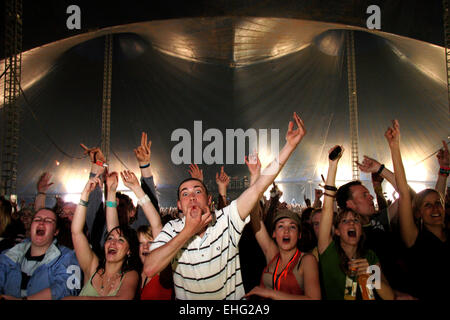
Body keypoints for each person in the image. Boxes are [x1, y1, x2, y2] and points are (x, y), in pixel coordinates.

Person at [145, 112, 307, 300]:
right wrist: (187, 232)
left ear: (208, 200)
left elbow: (259, 187)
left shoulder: (226, 220)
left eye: (198, 191)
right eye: (185, 193)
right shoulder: (171, 229)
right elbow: (150, 268)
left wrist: (289, 146)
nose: (192, 197)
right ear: (179, 205)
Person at [318, 145, 395, 300]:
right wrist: (333, 165)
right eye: (345, 221)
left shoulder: (370, 257)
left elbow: (389, 297)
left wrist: (372, 275)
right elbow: (327, 210)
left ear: (361, 230)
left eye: (355, 221)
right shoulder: (328, 252)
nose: (352, 224)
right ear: (337, 231)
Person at [386, 120, 449, 300]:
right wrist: (395, 148)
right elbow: (404, 194)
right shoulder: (415, 238)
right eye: (427, 205)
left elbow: (439, 194)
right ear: (418, 213)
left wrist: (444, 170)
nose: (435, 208)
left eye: (438, 204)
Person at [63, 174, 140, 299]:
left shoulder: (130, 275)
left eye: (120, 240)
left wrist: (81, 298)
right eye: (109, 239)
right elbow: (76, 232)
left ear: (129, 250)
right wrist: (85, 194)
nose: (113, 243)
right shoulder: (92, 266)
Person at [246, 196, 321, 299]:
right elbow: (256, 219)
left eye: (292, 227)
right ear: (274, 234)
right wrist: (255, 186)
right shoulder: (273, 255)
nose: (286, 231)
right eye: (281, 226)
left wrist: (270, 293)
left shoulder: (307, 260)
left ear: (299, 235)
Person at [0, 208, 81, 299]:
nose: (41, 222)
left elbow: (69, 289)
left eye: (48, 221)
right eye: (37, 219)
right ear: (31, 227)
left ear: (56, 231)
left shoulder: (68, 257)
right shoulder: (9, 255)